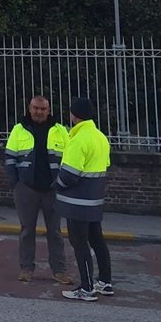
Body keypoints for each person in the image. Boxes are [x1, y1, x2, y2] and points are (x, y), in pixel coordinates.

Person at [5, 96, 73, 285]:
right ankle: (26, 268)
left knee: (55, 232)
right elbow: (10, 158)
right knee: (27, 230)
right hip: (26, 188)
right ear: (29, 108)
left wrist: (62, 183)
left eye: (43, 109)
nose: (39, 112)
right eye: (35, 108)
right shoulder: (19, 129)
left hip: (53, 189)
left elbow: (69, 158)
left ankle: (59, 271)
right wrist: (15, 184)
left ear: (49, 110)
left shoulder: (60, 130)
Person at [56, 97, 113, 302]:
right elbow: (104, 164)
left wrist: (57, 185)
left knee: (79, 243)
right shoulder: (100, 137)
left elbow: (70, 174)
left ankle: (87, 287)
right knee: (97, 240)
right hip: (95, 198)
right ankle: (105, 281)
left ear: (74, 115)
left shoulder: (78, 138)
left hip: (77, 201)